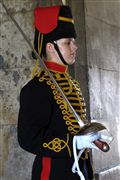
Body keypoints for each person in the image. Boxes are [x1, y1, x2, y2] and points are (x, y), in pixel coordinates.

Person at [18, 5, 101, 180]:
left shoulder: (72, 83)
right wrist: (74, 142)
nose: (75, 47)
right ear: (50, 47)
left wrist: (89, 134)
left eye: (73, 41)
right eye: (67, 42)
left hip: (81, 170)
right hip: (54, 173)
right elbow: (28, 138)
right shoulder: (36, 89)